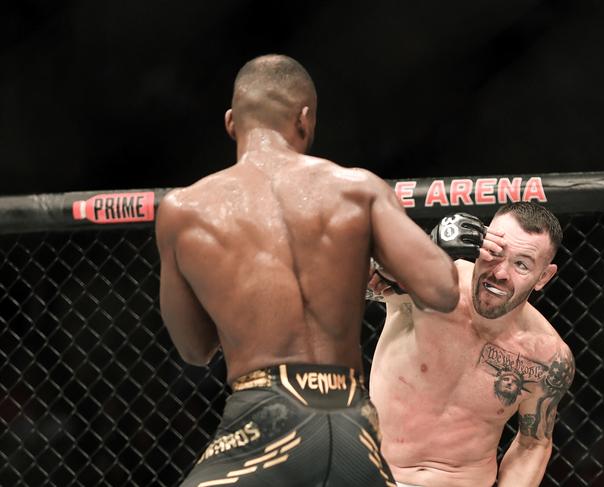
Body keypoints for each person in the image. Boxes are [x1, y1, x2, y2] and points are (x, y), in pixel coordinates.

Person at [155, 54, 460, 487]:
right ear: (304, 119)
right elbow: (443, 288)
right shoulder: (358, 189)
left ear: (230, 123)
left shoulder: (183, 211)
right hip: (354, 424)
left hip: (264, 419)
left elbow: (193, 348)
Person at [368, 202, 575, 487]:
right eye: (496, 254)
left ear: (543, 277)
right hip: (373, 474)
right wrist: (427, 249)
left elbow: (533, 444)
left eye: (521, 264)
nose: (501, 272)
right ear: (482, 242)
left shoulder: (548, 356)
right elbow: (349, 279)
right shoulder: (435, 281)